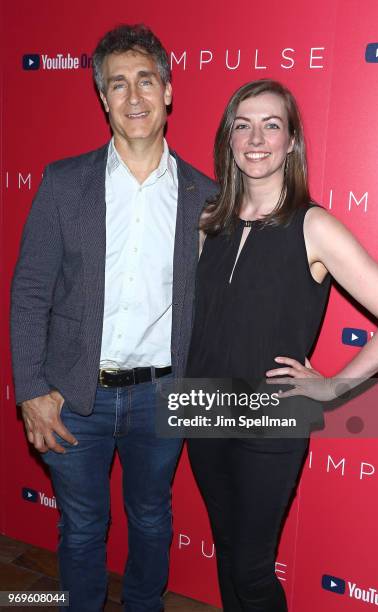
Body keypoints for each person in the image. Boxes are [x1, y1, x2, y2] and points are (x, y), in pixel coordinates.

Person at [10, 24, 216, 612]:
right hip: (74, 395)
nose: (133, 98)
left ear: (168, 90)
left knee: (152, 521)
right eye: (117, 84)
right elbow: (29, 292)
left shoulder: (206, 198)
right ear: (102, 98)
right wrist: (32, 389)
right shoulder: (63, 183)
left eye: (145, 81)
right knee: (80, 529)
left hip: (162, 396)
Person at [186, 79, 378, 612]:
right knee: (229, 551)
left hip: (273, 417)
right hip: (202, 407)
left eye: (271, 125)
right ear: (229, 139)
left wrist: (333, 386)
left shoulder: (314, 225)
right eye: (243, 125)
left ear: (291, 141)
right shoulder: (207, 221)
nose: (256, 137)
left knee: (253, 569)